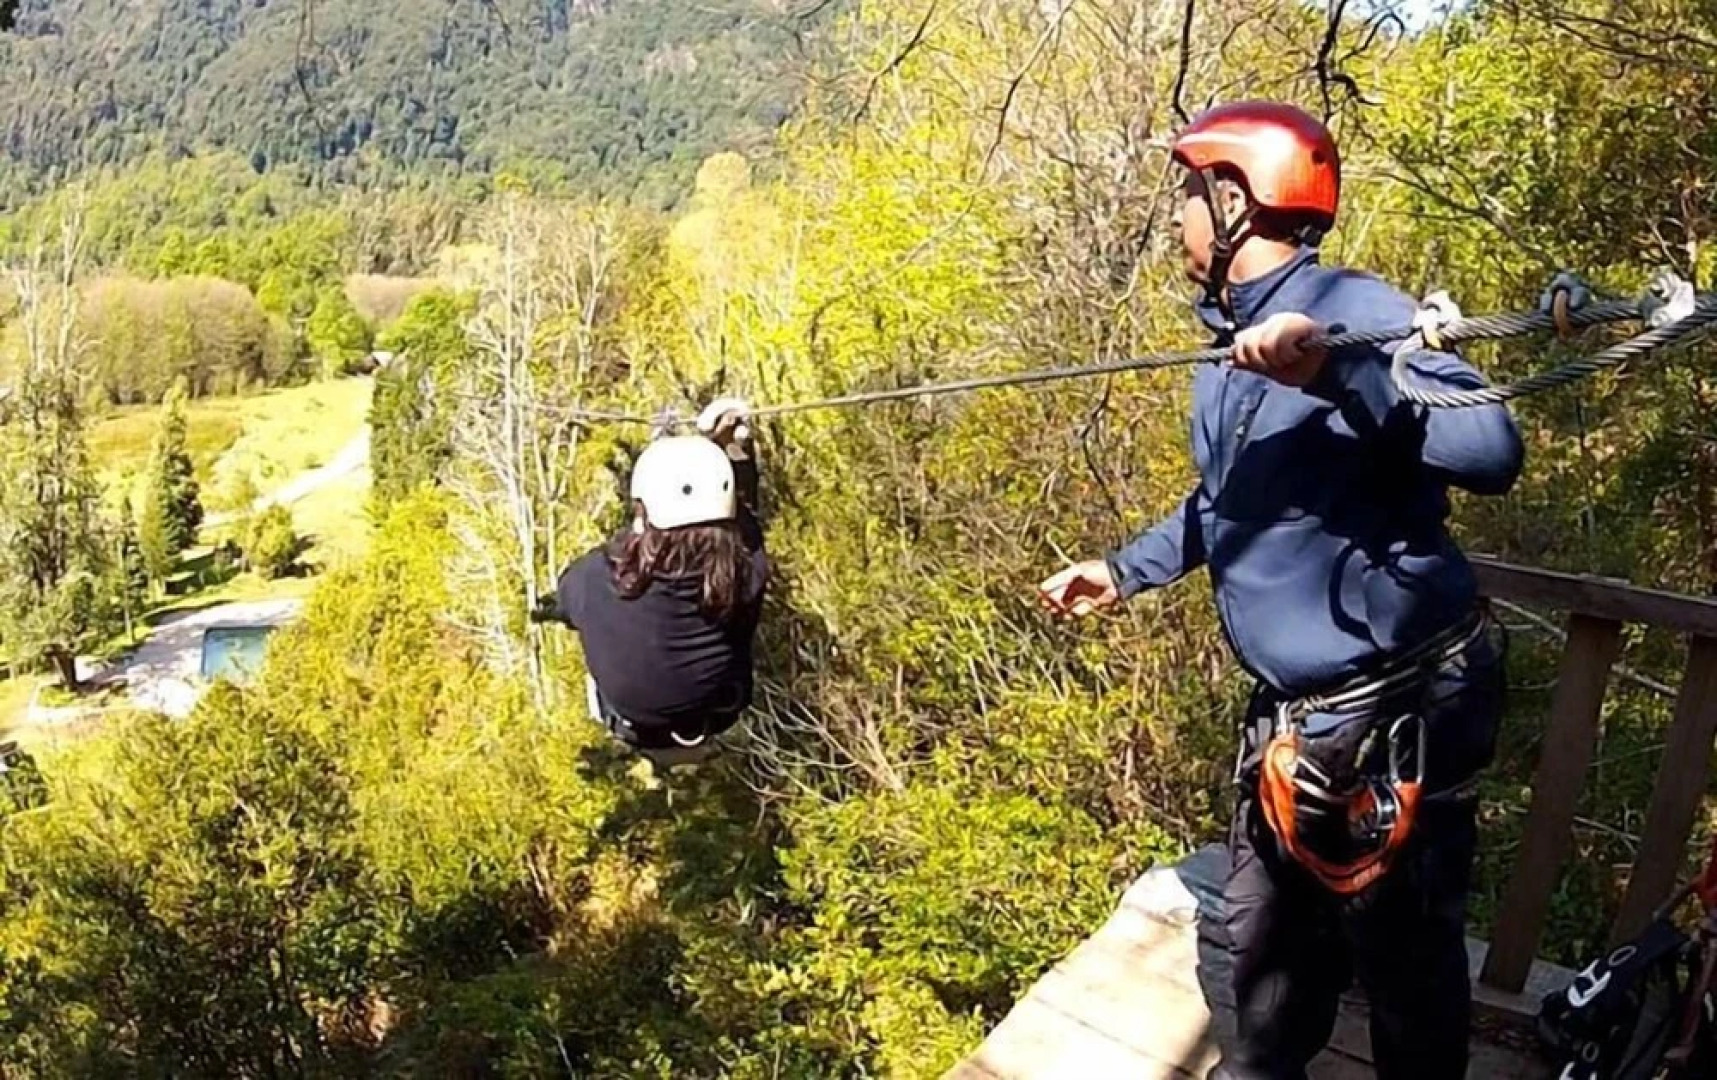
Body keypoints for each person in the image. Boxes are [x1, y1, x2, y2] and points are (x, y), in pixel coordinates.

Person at [1037, 101, 1526, 1079]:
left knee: (1405, 970)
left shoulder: (1357, 311)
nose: (1175, 217)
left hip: (1398, 708)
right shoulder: (1230, 343)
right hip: (1298, 720)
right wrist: (1125, 570)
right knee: (1263, 952)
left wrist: (1338, 375)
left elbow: (1490, 448)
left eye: (1186, 195)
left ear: (1233, 202)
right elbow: (1234, 495)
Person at [539, 398, 767, 769]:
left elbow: (567, 596)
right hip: (719, 712)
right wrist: (730, 448)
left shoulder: (595, 578)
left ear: (643, 512)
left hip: (635, 725)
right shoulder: (744, 574)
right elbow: (744, 516)